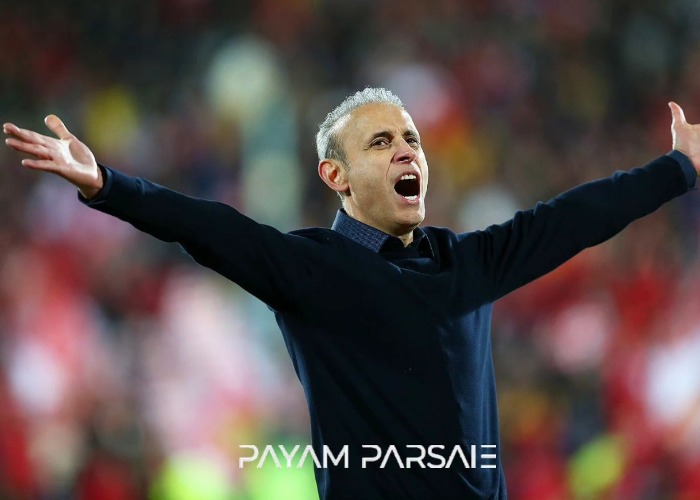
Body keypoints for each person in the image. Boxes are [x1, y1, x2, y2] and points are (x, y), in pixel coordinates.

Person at [4, 88, 699, 499]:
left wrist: (680, 167)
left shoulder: (469, 262)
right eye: (380, 142)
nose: (406, 150)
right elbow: (209, 228)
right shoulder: (313, 270)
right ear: (335, 176)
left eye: (412, 138)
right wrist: (108, 185)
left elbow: (574, 218)